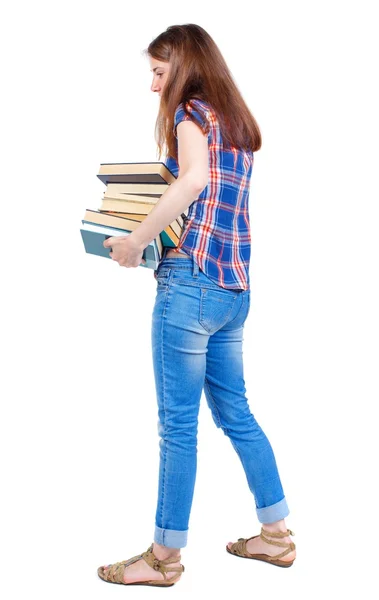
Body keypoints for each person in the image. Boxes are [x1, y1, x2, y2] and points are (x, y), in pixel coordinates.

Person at [98, 23, 296, 588]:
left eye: (160, 72)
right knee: (237, 414)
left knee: (178, 428)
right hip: (235, 289)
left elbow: (191, 184)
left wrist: (136, 241)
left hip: (190, 286)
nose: (155, 86)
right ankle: (277, 536)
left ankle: (162, 559)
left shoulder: (191, 115)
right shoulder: (236, 122)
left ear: (183, 66)